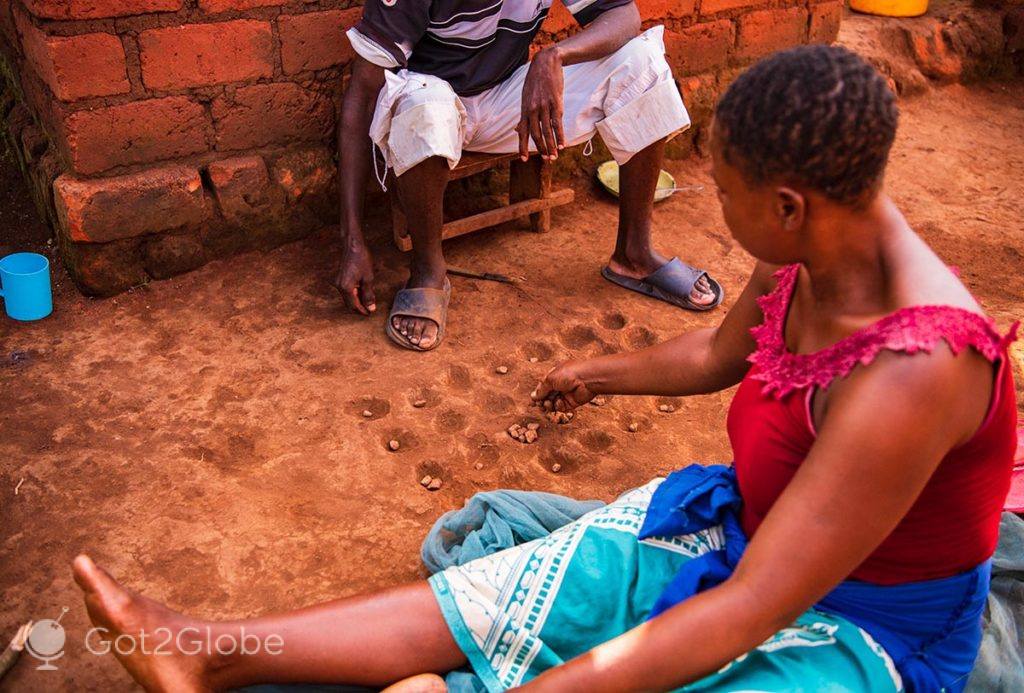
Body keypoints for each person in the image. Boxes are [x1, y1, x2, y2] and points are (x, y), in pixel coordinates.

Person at [73, 46, 1018, 691]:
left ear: (784, 204)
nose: (716, 212)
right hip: (746, 533)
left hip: (863, 624)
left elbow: (748, 612)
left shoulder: (915, 370)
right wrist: (598, 371)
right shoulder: (811, 243)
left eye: (720, 194)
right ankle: (206, 651)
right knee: (495, 596)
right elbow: (720, 353)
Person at [334, 0, 723, 351]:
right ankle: (428, 273)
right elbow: (362, 94)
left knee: (642, 62)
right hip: (429, 104)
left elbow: (624, 15)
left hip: (506, 97)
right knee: (425, 106)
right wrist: (352, 239)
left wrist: (553, 56)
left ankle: (634, 254)